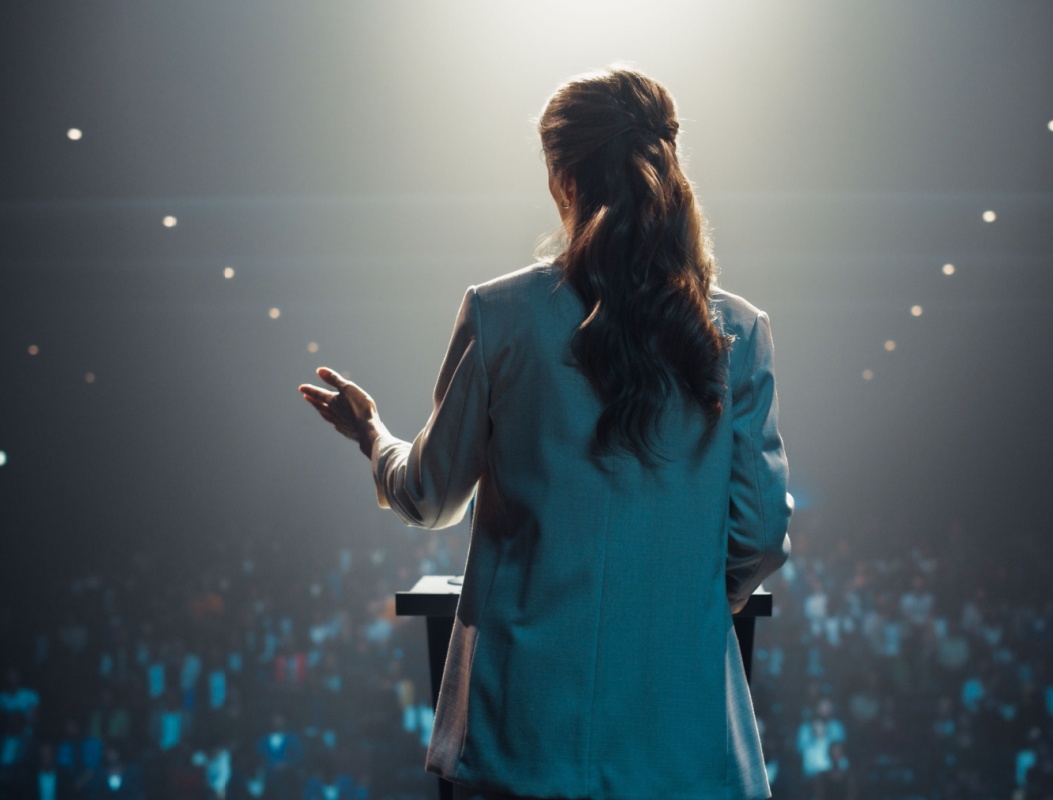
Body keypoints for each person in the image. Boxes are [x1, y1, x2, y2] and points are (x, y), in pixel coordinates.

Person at [300, 66, 792, 800]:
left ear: (563, 177)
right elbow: (757, 538)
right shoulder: (738, 333)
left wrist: (371, 434)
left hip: (520, 740)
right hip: (680, 751)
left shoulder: (500, 315)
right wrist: (669, 604)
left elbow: (430, 496)